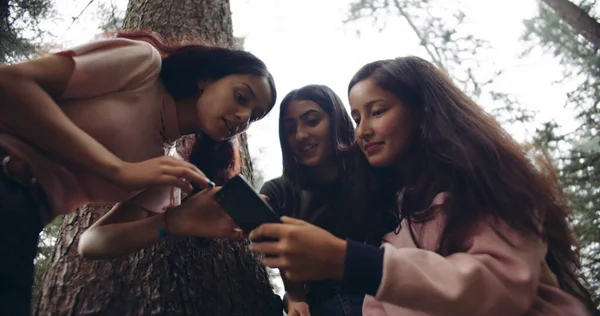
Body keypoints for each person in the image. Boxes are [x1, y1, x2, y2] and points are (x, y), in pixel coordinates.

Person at [248, 57, 596, 315]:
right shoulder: (399, 210)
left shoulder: (481, 180)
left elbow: (500, 287)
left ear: (423, 113)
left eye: (378, 111)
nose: (363, 130)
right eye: (357, 118)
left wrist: (347, 259)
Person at [0, 30, 276, 315]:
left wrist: (172, 222)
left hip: (22, 226)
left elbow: (92, 244)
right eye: (241, 96)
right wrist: (119, 170)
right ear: (207, 78)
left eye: (254, 117)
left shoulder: (166, 174)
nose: (244, 118)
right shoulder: (143, 65)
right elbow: (10, 82)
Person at [259, 84, 394, 316]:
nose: (300, 135)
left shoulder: (376, 171)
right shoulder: (279, 192)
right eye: (290, 129)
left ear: (336, 120)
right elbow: (282, 258)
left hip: (388, 293)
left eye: (312, 121)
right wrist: (294, 297)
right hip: (325, 305)